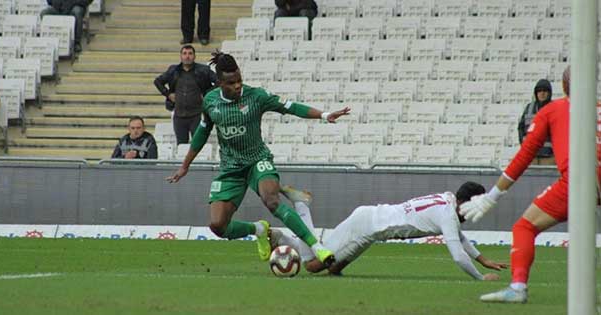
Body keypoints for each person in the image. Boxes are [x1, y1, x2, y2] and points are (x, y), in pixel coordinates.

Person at [166, 51, 350, 266]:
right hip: (230, 168)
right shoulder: (210, 101)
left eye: (239, 80)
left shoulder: (256, 96)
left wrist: (324, 115)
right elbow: (202, 132)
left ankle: (318, 248)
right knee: (218, 226)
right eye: (231, 82)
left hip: (257, 161)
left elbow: (289, 107)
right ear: (219, 83)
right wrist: (185, 166)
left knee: (272, 201)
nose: (237, 86)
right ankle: (260, 229)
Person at [459, 66, 598, 303]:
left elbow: (525, 155)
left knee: (524, 227)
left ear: (563, 86)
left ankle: (518, 287)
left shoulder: (553, 110)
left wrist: (492, 196)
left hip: (580, 178)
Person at [271, 183, 508, 280]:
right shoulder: (447, 214)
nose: (474, 213)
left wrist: (483, 259)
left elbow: (458, 234)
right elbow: (457, 254)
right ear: (464, 202)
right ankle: (301, 207)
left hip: (371, 224)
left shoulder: (447, 201)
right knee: (312, 265)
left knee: (334, 270)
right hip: (365, 228)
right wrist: (480, 277)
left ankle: (285, 237)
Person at [153, 45, 217, 144]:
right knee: (181, 145)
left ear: (194, 56)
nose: (187, 56)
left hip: (197, 115)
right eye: (184, 53)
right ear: (180, 56)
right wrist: (168, 94)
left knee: (198, 144)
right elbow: (157, 81)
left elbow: (219, 82)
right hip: (179, 116)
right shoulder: (173, 70)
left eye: (190, 53)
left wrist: (206, 94)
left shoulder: (204, 70)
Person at [517, 79, 553, 164]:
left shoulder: (554, 108)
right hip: (531, 156)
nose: (542, 93)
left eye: (545, 90)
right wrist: (523, 145)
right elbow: (521, 128)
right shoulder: (529, 108)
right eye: (539, 91)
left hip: (549, 158)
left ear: (549, 93)